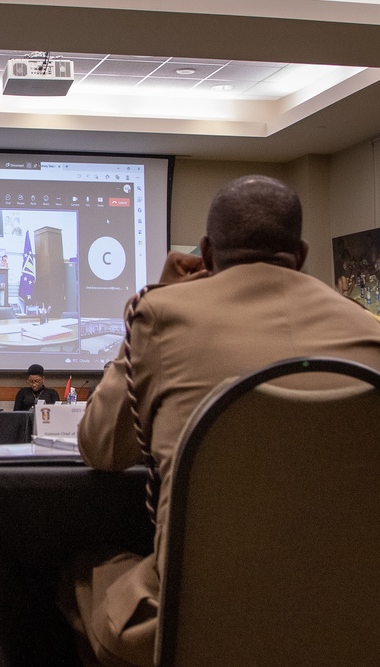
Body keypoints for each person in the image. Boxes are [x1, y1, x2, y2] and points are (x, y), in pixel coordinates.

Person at [61, 175, 380, 667]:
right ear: (301, 254)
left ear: (205, 252)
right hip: (357, 621)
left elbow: (102, 447)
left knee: (81, 574)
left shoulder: (164, 315)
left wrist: (163, 293)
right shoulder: (369, 332)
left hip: (194, 625)